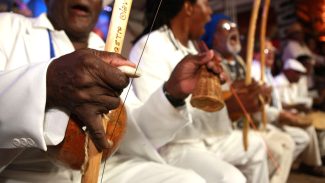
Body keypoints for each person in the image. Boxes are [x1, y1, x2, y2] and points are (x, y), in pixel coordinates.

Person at [0, 0, 232, 182]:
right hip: (26, 173)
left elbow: (133, 135)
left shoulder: (107, 49)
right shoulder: (8, 28)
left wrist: (173, 92)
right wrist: (48, 83)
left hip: (104, 167)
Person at [130, 1, 268, 183]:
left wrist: (240, 92)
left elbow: (219, 95)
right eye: (206, 4)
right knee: (230, 178)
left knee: (258, 146)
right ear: (188, 7)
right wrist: (227, 111)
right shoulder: (150, 46)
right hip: (172, 146)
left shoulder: (194, 48)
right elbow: (154, 126)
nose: (210, 13)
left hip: (204, 137)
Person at [203, 15, 296, 183]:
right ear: (213, 38)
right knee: (273, 149)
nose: (233, 30)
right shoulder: (212, 63)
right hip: (230, 129)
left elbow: (252, 97)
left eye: (234, 27)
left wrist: (261, 96)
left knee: (288, 142)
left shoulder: (240, 61)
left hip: (252, 123)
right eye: (225, 28)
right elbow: (220, 101)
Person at [273, 58, 325, 177]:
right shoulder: (278, 82)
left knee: (310, 128)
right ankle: (306, 163)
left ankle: (310, 163)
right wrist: (298, 108)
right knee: (306, 132)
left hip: (291, 116)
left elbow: (292, 101)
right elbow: (279, 106)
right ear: (289, 71)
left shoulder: (292, 83)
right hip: (280, 119)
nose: (299, 76)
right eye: (297, 73)